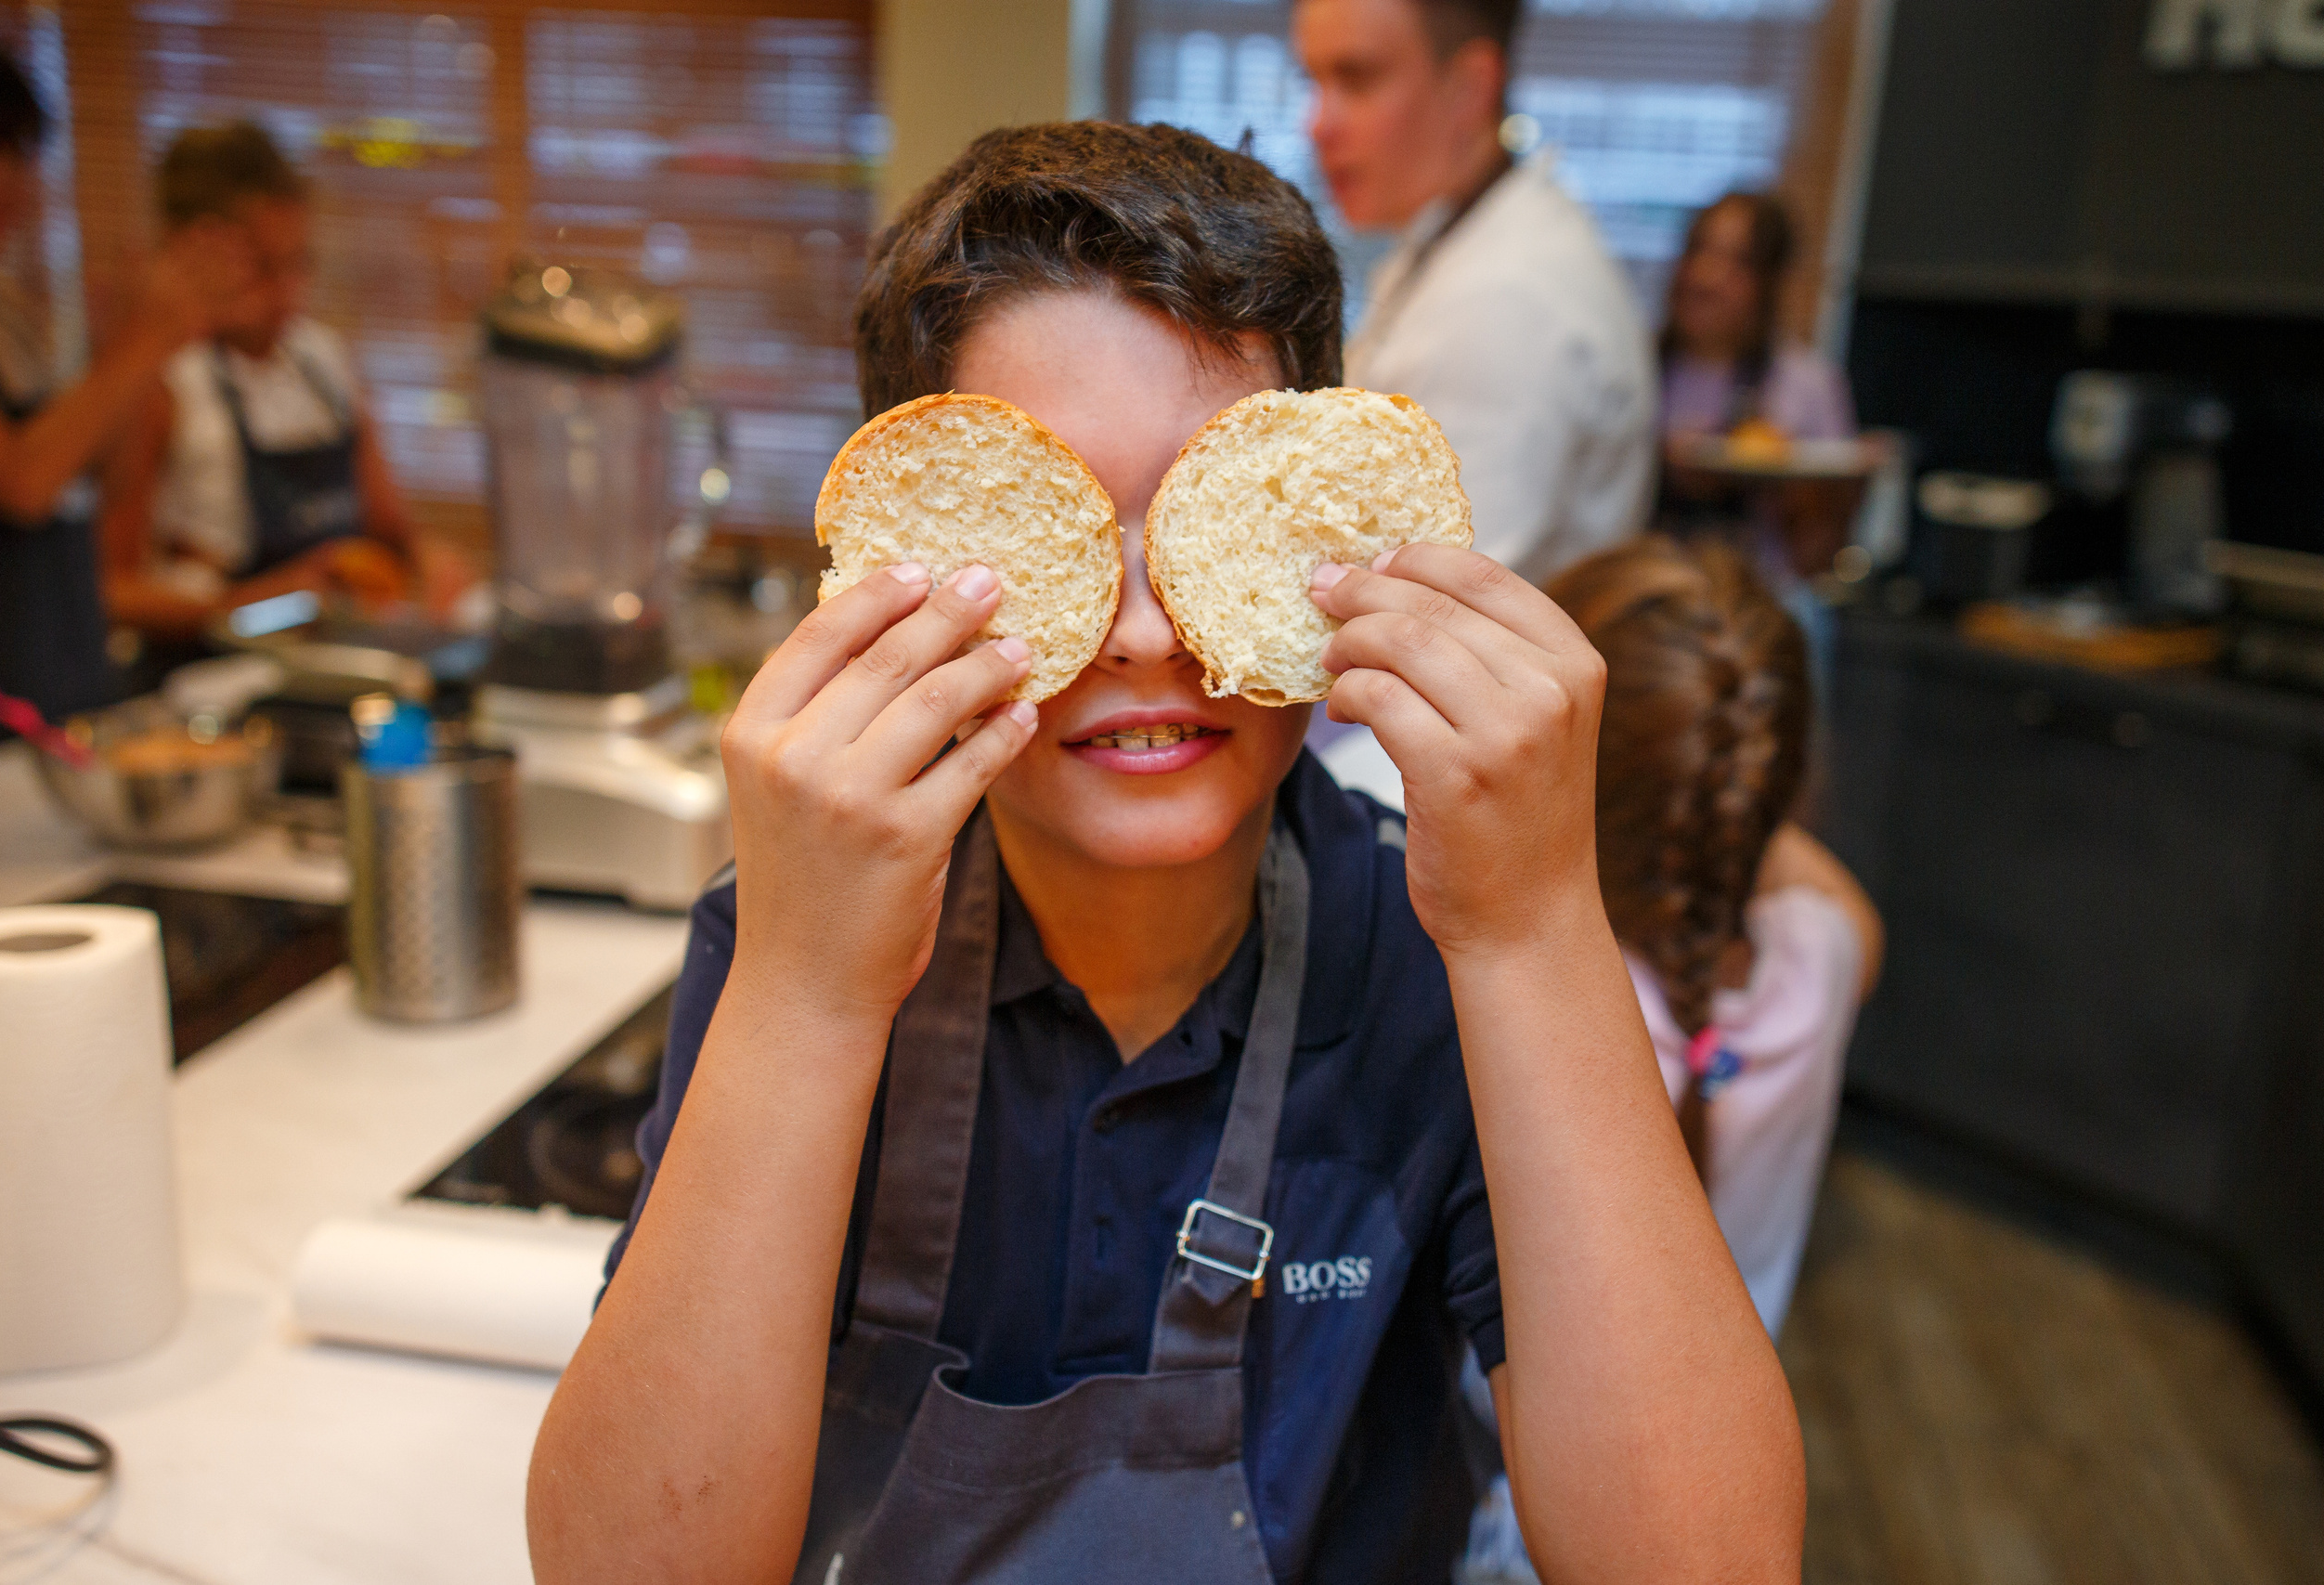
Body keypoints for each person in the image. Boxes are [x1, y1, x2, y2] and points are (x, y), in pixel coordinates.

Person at [526, 123, 1801, 1585]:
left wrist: (1538, 928)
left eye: (1206, 521)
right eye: (1052, 532)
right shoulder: (790, 936)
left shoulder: (1442, 951)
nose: (1142, 631)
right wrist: (807, 993)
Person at [1457, 536, 1881, 1583]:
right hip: (1692, 1484)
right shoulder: (1821, 961)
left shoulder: (1515, 1024)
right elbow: (1827, 893)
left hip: (1494, 1504)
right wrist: (1727, 767)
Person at [0, 21, 242, 747]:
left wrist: (145, 347)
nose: (12, 181)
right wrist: (139, 345)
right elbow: (21, 483)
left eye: (22, 154)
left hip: (60, 680)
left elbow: (92, 476)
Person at [1297, 0, 1655, 586]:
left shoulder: (1509, 300)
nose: (1317, 123)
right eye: (1311, 80)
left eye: (1356, 81)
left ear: (1470, 87)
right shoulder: (1456, 234)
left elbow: (1435, 603)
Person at [97, 122, 464, 656]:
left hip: (330, 659)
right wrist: (265, 602)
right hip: (209, 673)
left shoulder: (322, 361)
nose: (288, 293)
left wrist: (430, 556)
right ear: (191, 251)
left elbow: (390, 527)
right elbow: (111, 591)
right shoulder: (164, 381)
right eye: (264, 269)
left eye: (300, 264)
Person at [1656, 191, 1865, 592]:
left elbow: (1820, 555)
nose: (1705, 276)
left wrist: (1802, 487)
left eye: (1736, 262)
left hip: (1763, 600)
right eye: (1698, 251)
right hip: (1653, 591)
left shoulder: (1807, 386)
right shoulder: (1641, 370)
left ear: (1770, 281)